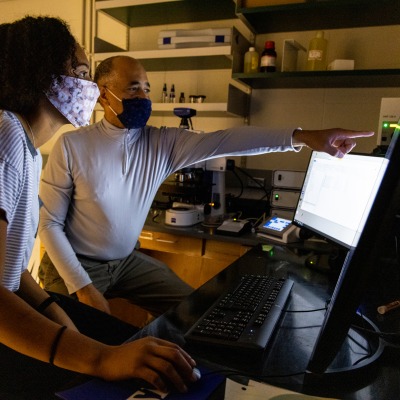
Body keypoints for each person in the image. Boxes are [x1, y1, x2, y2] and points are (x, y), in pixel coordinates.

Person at [38, 55, 374, 320]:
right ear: (102, 93)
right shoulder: (73, 146)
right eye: (132, 88)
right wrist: (82, 287)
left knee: (197, 310)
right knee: (75, 343)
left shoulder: (161, 143)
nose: (142, 97)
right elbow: (49, 223)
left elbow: (225, 141)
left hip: (126, 262)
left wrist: (301, 137)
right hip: (74, 265)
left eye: (146, 89)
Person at [0, 17, 199, 399]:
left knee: (138, 348)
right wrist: (102, 360)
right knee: (124, 371)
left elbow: (8, 269)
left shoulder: (26, 148)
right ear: (45, 75)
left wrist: (49, 308)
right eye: (82, 73)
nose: (92, 88)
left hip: (14, 309)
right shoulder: (6, 135)